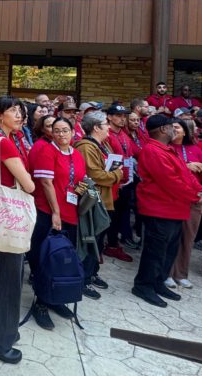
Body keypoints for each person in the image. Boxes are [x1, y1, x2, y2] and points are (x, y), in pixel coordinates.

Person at [0, 96, 34, 364]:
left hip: (3, 218)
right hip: (8, 218)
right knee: (5, 281)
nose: (19, 115)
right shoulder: (5, 143)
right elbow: (29, 185)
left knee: (2, 278)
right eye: (12, 110)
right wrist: (28, 178)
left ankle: (2, 332)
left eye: (20, 111)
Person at [132, 115, 202, 308]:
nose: (176, 130)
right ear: (163, 129)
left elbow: (185, 174)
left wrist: (199, 189)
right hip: (159, 209)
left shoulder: (168, 149)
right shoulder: (152, 150)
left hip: (174, 209)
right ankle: (143, 285)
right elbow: (170, 181)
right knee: (155, 252)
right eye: (172, 126)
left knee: (169, 251)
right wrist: (194, 195)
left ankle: (158, 281)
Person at [28, 117, 88, 329]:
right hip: (49, 213)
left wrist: (80, 196)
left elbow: (81, 180)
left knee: (63, 259)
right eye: (57, 130)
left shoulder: (77, 154)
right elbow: (46, 183)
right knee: (45, 259)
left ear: (73, 132)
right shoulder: (47, 151)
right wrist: (56, 212)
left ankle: (55, 298)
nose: (61, 134)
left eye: (65, 130)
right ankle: (41, 303)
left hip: (70, 213)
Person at [74, 110, 124, 299]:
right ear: (96, 127)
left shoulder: (101, 144)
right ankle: (83, 279)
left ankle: (92, 272)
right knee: (90, 241)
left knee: (98, 241)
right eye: (105, 124)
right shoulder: (86, 147)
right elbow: (95, 175)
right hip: (94, 203)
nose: (109, 127)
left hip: (105, 199)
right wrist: (117, 174)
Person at [166, 118, 202, 289]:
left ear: (185, 131)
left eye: (177, 127)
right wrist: (187, 166)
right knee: (172, 238)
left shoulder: (195, 149)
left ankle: (181, 274)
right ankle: (167, 273)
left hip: (194, 198)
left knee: (188, 238)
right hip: (173, 198)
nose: (174, 130)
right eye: (171, 127)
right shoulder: (166, 147)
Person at [104, 102, 138, 262]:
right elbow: (109, 161)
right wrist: (116, 180)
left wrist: (129, 177)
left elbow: (129, 156)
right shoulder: (106, 135)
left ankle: (113, 244)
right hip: (113, 182)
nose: (122, 118)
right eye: (118, 115)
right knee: (110, 215)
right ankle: (108, 245)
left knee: (120, 215)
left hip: (126, 182)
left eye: (124, 116)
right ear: (109, 117)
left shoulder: (124, 135)